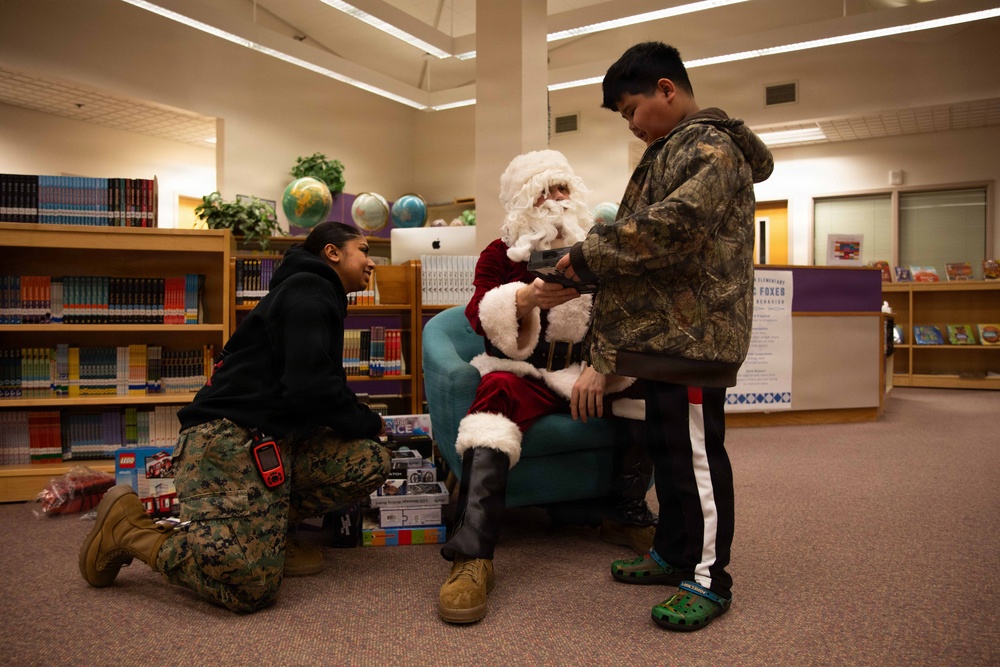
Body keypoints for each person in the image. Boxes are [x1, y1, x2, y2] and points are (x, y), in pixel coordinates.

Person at [557, 41, 774, 632]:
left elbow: (676, 227)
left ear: (666, 90)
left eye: (631, 110)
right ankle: (674, 552)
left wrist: (589, 253)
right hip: (664, 336)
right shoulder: (671, 148)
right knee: (668, 454)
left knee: (696, 460)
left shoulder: (711, 145)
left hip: (696, 338)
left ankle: (709, 577)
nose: (631, 125)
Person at [79, 221, 391, 613]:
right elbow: (310, 387)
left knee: (368, 459)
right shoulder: (309, 291)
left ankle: (268, 532)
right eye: (363, 250)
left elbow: (321, 383)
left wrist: (361, 421)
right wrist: (368, 421)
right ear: (332, 253)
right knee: (250, 589)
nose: (371, 262)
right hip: (228, 440)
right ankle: (130, 532)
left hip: (273, 440)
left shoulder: (313, 293)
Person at [437, 149, 658, 625]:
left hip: (586, 370)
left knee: (649, 389)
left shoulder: (600, 249)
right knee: (492, 397)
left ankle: (625, 512)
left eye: (563, 190)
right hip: (527, 372)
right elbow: (478, 312)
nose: (556, 201)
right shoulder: (499, 254)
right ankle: (473, 555)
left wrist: (603, 365)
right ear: (523, 203)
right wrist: (524, 296)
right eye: (543, 192)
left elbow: (628, 317)